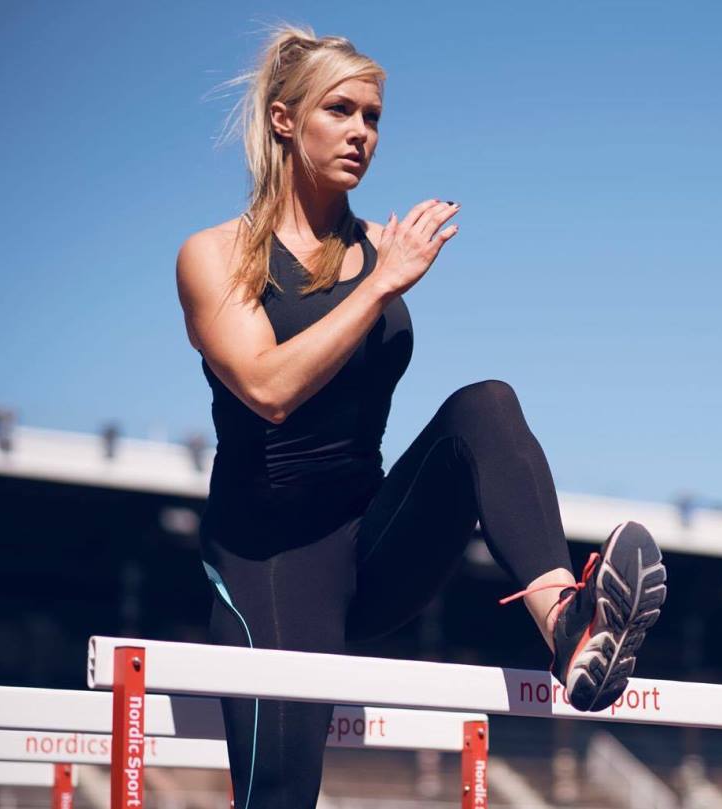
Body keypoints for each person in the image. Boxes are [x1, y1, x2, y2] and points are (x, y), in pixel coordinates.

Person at [175, 23, 667, 809]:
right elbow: (266, 388)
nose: (362, 133)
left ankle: (569, 623)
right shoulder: (216, 254)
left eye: (373, 117)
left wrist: (381, 271)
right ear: (283, 120)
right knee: (280, 796)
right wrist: (380, 287)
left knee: (487, 407)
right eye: (341, 111)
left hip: (372, 548)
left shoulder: (382, 245)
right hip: (270, 562)